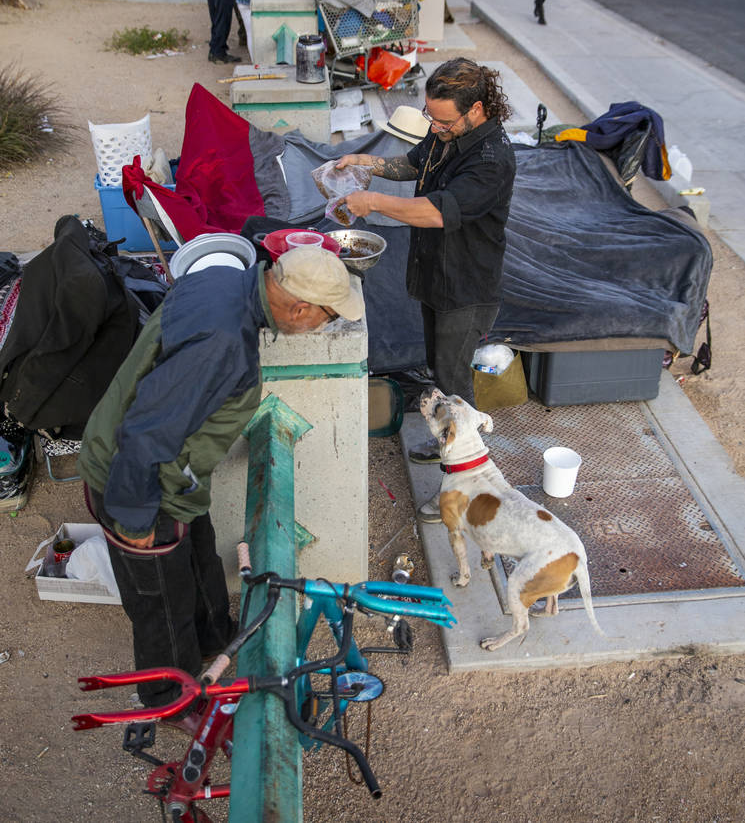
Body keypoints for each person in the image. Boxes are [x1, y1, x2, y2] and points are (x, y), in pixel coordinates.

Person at [77, 246, 364, 716]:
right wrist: (133, 517)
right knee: (161, 601)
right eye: (327, 319)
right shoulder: (222, 341)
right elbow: (146, 431)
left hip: (176, 475)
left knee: (198, 558)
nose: (323, 328)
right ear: (300, 307)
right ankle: (170, 700)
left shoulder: (225, 282)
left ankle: (213, 636)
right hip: (135, 481)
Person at [333, 58, 515, 522]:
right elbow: (412, 163)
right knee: (440, 368)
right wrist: (364, 162)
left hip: (466, 286)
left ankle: (464, 489)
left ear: (476, 109)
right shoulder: (445, 130)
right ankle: (446, 449)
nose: (434, 126)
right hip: (438, 275)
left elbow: (436, 212)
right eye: (430, 116)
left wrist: (371, 201)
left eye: (443, 119)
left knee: (455, 386)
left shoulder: (492, 160)